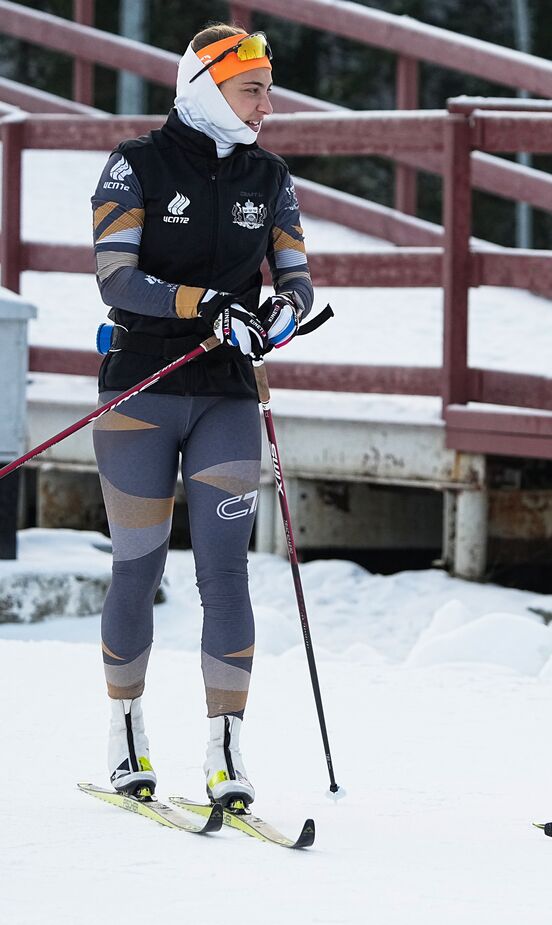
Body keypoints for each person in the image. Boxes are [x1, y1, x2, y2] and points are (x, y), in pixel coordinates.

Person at [90, 22, 312, 809]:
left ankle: (226, 747)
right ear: (207, 85)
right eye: (253, 89)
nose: (265, 107)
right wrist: (209, 305)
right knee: (139, 564)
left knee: (226, 569)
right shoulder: (137, 164)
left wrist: (275, 317)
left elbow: (296, 281)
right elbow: (116, 277)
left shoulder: (269, 175)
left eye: (269, 90)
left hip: (225, 394)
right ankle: (125, 728)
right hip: (140, 391)